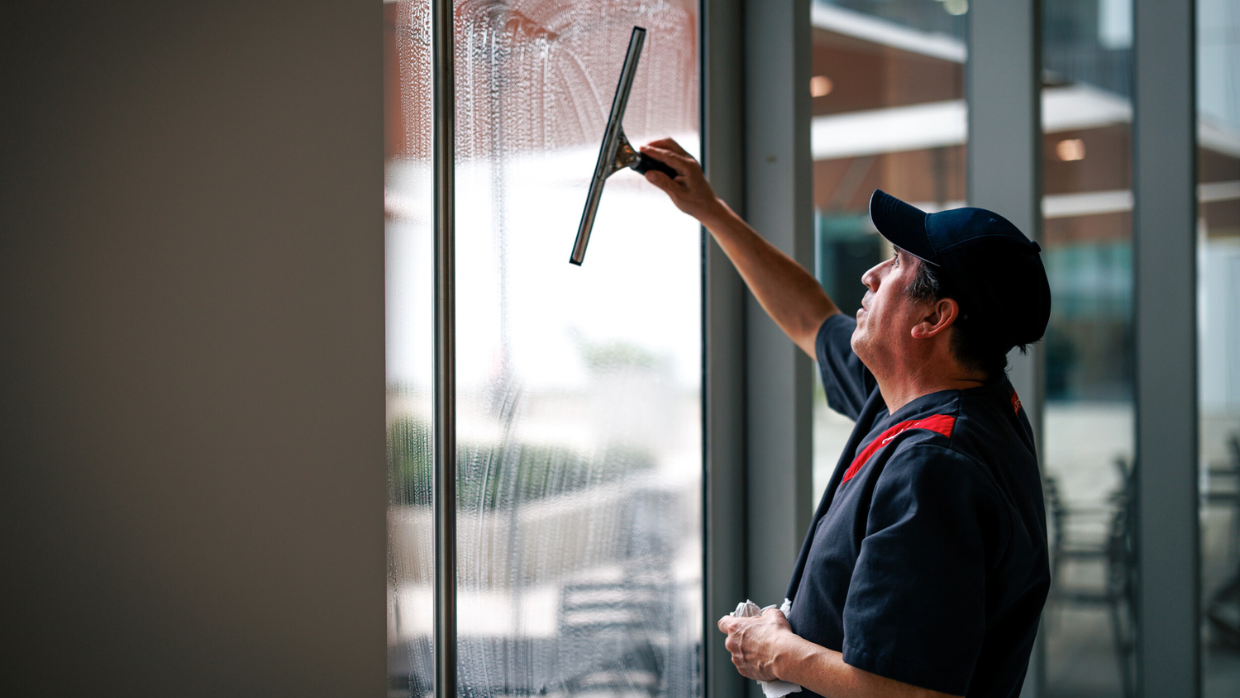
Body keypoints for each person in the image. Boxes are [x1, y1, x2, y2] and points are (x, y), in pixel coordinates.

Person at [640, 138, 1052, 698]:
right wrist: (709, 208)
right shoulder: (921, 395)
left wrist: (778, 653)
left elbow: (914, 692)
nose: (871, 275)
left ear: (934, 316)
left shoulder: (934, 467)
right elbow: (810, 317)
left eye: (901, 263)